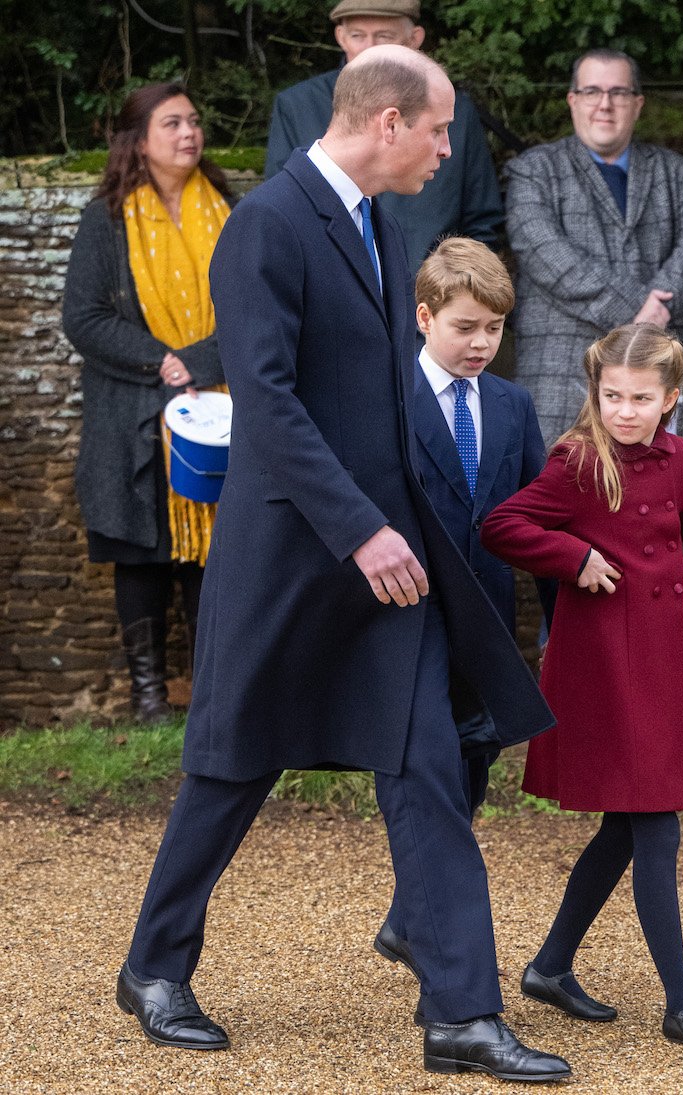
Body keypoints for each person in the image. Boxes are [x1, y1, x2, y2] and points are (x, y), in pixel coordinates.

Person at [114, 45, 570, 1083]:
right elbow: (267, 402)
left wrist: (425, 519)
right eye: (441, 129)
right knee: (233, 768)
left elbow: (381, 394)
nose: (451, 150)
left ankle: (461, 1014)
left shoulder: (378, 221)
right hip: (291, 560)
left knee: (426, 772)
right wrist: (359, 529)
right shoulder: (268, 225)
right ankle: (152, 967)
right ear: (390, 122)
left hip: (388, 568)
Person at [480, 323, 683, 1053]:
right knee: (655, 823)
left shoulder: (677, 453)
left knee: (629, 824)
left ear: (671, 399)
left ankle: (550, 965)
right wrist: (574, 555)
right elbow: (503, 524)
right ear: (593, 393)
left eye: (639, 398)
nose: (624, 411)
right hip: (602, 663)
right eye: (611, 396)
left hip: (660, 659)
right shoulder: (576, 459)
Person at [374, 235, 557, 972]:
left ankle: (406, 919)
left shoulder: (513, 405)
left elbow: (538, 519)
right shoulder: (387, 400)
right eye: (465, 326)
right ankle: (431, 930)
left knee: (476, 759)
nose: (482, 342)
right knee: (431, 771)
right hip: (409, 617)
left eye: (495, 328)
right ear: (424, 317)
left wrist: (555, 620)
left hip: (488, 620)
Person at [62, 83, 234, 724]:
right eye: (172, 123)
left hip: (216, 407)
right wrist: (160, 359)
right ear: (138, 140)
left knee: (210, 554)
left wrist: (200, 362)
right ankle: (148, 699)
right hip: (130, 411)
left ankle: (211, 693)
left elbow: (254, 306)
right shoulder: (105, 218)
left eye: (194, 121)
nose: (189, 133)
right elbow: (83, 317)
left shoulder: (232, 212)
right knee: (140, 551)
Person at [505, 48, 683, 489]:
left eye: (618, 92)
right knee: (565, 523)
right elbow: (545, 254)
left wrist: (659, 308)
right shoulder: (533, 172)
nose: (604, 104)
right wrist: (642, 312)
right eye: (592, 91)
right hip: (565, 375)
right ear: (572, 100)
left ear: (638, 103)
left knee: (669, 517)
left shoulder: (679, 174)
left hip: (665, 377)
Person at [264, 0, 503, 264]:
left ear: (414, 39)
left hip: (434, 293)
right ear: (340, 37)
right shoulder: (298, 106)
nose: (370, 48)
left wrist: (452, 291)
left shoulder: (455, 110)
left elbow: (482, 220)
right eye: (357, 36)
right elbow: (284, 208)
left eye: (384, 37)